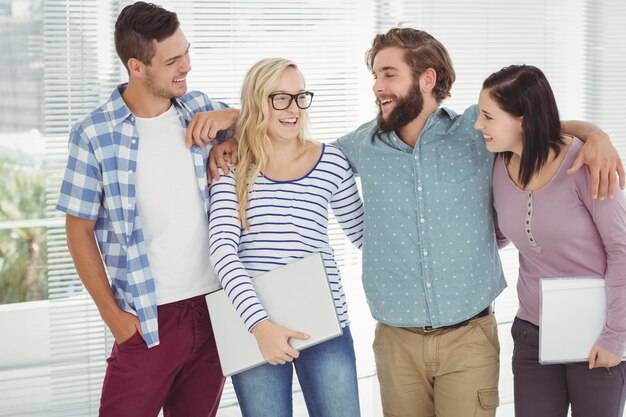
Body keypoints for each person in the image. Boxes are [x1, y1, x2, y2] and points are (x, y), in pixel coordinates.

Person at [199, 28, 623, 417]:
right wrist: (239, 123)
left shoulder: (477, 133)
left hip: (469, 337)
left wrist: (595, 135)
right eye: (375, 75)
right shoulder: (358, 146)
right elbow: (286, 137)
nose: (376, 86)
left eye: (388, 74)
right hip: (395, 342)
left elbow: (529, 123)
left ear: (426, 78)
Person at [56, 2, 237, 416]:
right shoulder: (94, 135)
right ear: (136, 66)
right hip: (148, 317)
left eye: (186, 52)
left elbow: (271, 133)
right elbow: (78, 229)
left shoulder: (201, 109)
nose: (186, 66)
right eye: (172, 60)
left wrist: (235, 119)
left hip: (214, 308)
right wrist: (114, 318)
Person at [208, 57, 364, 417]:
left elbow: (363, 235)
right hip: (254, 327)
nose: (292, 109)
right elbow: (222, 251)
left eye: (299, 97)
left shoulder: (332, 162)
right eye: (279, 98)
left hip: (325, 326)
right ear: (256, 102)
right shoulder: (231, 167)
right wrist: (260, 326)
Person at [474, 64, 626, 417]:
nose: (478, 125)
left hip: (597, 334)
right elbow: (499, 237)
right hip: (532, 333)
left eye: (487, 116)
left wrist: (616, 335)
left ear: (523, 120)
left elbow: (622, 250)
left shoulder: (586, 165)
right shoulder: (498, 163)